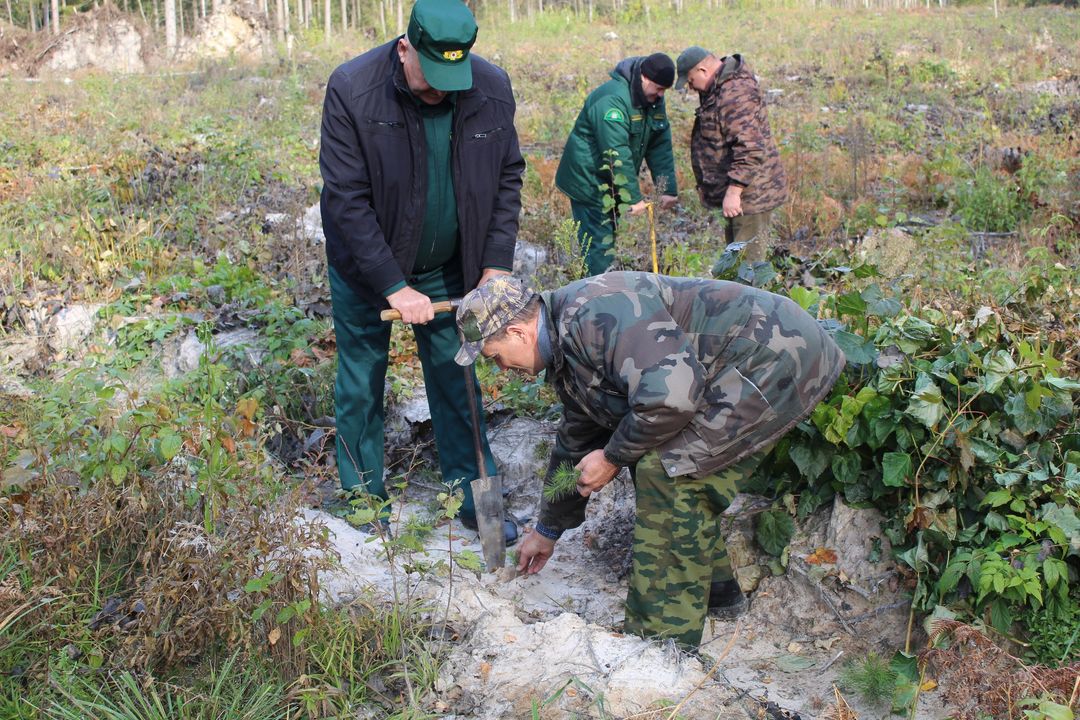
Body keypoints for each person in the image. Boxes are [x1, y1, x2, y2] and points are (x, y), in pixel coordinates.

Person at [454, 272, 845, 647]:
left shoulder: (593, 316)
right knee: (661, 461)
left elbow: (672, 398)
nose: (502, 369)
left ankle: (659, 645)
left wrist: (611, 458)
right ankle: (716, 592)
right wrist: (548, 529)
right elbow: (577, 437)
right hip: (735, 364)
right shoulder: (564, 342)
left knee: (668, 471)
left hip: (776, 354)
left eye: (496, 357)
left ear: (518, 333)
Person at [319, 0, 525, 542]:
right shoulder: (354, 89)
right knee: (362, 382)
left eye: (451, 77)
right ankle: (364, 506)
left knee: (460, 380)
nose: (441, 89)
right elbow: (347, 200)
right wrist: (393, 284)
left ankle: (480, 506)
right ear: (405, 47)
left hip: (453, 269)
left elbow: (507, 177)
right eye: (430, 76)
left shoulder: (490, 87)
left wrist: (495, 265)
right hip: (369, 271)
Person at [555, 53, 680, 276]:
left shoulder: (653, 100)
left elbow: (660, 143)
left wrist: (668, 188)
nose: (661, 95)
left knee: (608, 238)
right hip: (588, 180)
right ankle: (598, 298)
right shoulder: (611, 100)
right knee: (599, 246)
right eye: (659, 88)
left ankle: (605, 286)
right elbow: (616, 151)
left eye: (664, 91)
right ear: (644, 77)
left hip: (610, 181)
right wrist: (633, 198)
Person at [676, 47, 787, 264]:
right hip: (737, 196)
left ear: (703, 70)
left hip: (749, 197)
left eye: (690, 80)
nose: (690, 87)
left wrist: (734, 191)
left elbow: (751, 147)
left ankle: (756, 300)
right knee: (736, 263)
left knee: (748, 270)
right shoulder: (718, 88)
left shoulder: (735, 93)